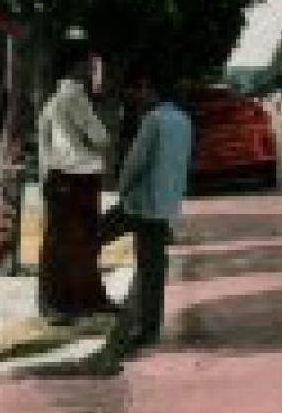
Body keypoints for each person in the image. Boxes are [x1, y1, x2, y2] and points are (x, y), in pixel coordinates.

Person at [101, 71, 194, 352]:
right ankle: (149, 327)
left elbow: (136, 161)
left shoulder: (153, 120)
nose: (139, 96)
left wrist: (121, 188)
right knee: (153, 267)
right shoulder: (183, 120)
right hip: (165, 204)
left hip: (142, 203)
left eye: (142, 90)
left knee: (92, 235)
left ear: (151, 90)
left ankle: (146, 328)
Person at [36, 72, 116, 324]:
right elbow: (101, 137)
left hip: (56, 176)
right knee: (80, 241)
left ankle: (58, 302)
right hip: (78, 176)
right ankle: (81, 300)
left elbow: (45, 145)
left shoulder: (50, 103)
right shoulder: (75, 96)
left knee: (58, 241)